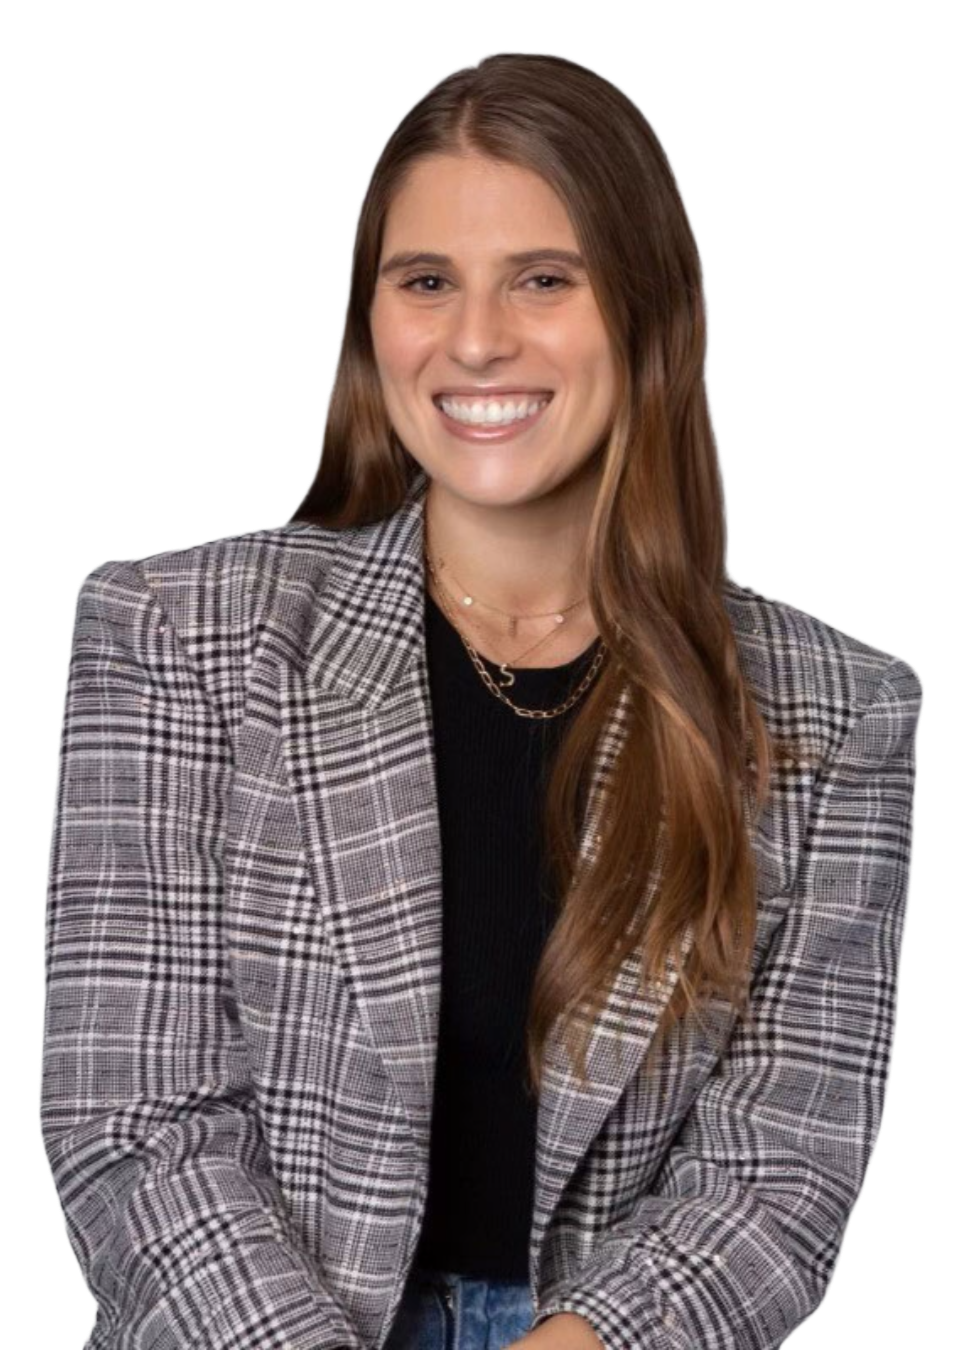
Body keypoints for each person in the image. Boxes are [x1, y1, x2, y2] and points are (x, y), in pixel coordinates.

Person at [38, 50, 924, 1350]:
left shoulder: (835, 711)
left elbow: (777, 1174)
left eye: (543, 279)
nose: (474, 340)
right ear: (371, 321)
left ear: (648, 309)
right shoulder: (177, 632)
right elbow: (131, 1121)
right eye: (427, 281)